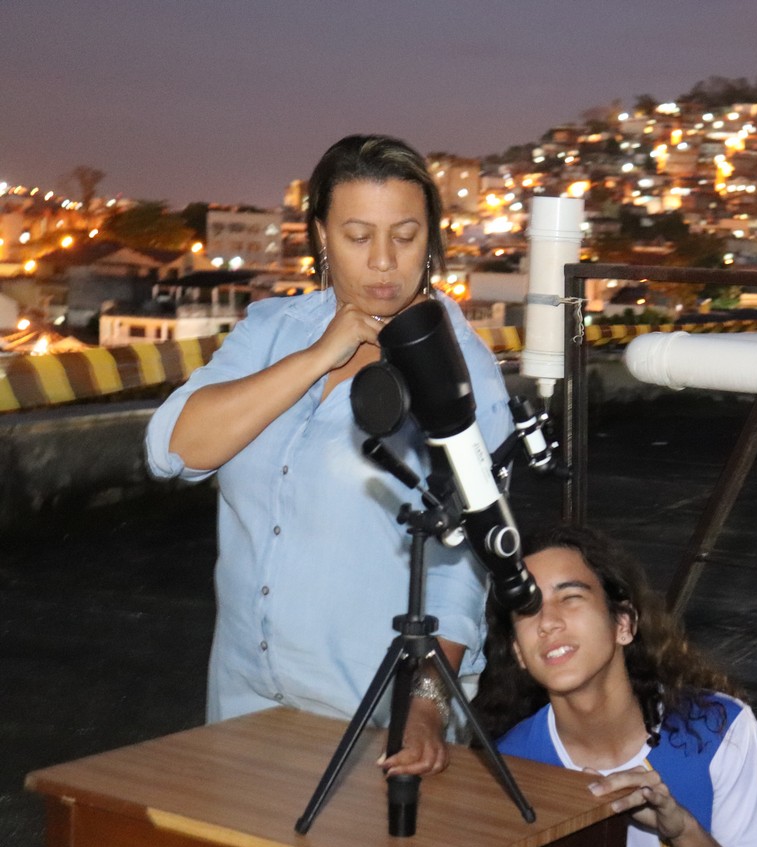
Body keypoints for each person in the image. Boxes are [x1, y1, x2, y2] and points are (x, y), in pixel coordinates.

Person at [145, 134, 512, 777]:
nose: (383, 261)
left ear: (432, 237)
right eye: (357, 235)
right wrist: (318, 355)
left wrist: (425, 705)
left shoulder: (460, 370)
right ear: (320, 235)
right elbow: (172, 449)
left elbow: (467, 560)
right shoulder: (272, 330)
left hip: (373, 715)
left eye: (405, 235)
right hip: (240, 699)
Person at [474, 525, 757, 847]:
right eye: (527, 609)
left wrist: (683, 830)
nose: (547, 622)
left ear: (623, 623)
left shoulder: (718, 730)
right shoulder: (507, 770)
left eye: (570, 598)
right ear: (518, 652)